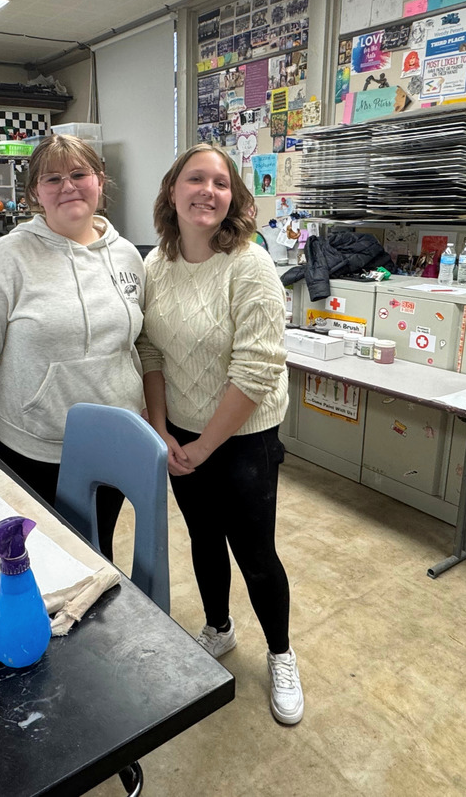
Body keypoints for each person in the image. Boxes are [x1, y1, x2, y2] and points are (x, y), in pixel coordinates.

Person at [136, 144, 304, 725]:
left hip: (243, 438)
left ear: (233, 197)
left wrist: (205, 446)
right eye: (195, 179)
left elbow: (258, 368)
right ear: (172, 192)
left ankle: (281, 655)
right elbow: (150, 348)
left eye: (221, 182)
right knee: (204, 539)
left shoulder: (250, 265)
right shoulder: (156, 265)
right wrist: (160, 431)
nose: (208, 190)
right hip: (179, 432)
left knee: (255, 554)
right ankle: (219, 628)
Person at [0, 134, 145, 560]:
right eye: (53, 178)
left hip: (111, 442)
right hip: (32, 444)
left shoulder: (127, 256)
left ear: (100, 182)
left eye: (79, 174)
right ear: (35, 192)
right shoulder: (5, 259)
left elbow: (136, 345)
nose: (68, 186)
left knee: (96, 552)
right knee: (35, 560)